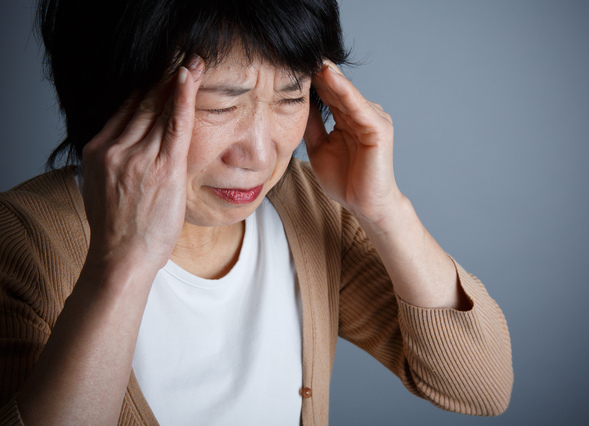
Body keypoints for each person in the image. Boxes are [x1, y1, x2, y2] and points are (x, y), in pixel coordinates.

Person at [0, 0, 513, 424]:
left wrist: (384, 210)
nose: (262, 156)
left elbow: (481, 387)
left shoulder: (306, 205)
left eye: (291, 98)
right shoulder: (21, 239)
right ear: (116, 97)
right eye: (221, 106)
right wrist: (123, 265)